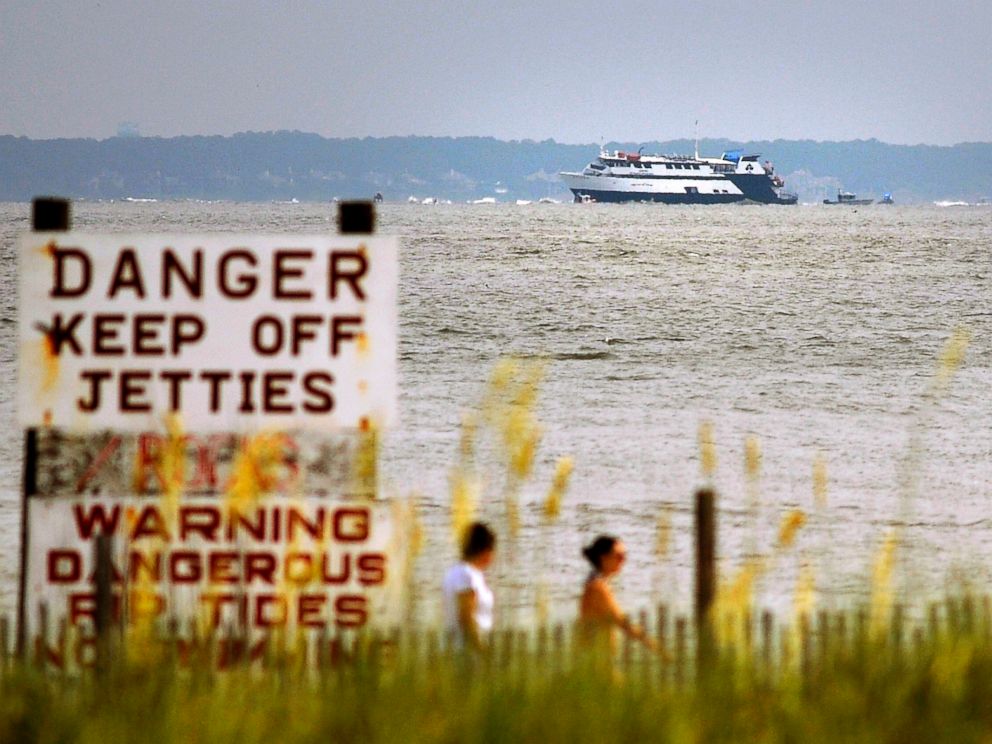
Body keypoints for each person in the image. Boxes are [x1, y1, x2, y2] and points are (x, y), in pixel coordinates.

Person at [578, 535, 656, 656]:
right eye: (619, 557)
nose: (624, 561)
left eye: (625, 556)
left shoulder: (597, 583)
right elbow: (623, 623)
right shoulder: (598, 588)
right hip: (597, 664)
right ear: (604, 558)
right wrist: (657, 648)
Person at [442, 522, 496, 654]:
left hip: (459, 649)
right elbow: (466, 617)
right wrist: (482, 651)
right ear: (486, 551)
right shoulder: (467, 574)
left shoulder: (458, 572)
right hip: (467, 652)